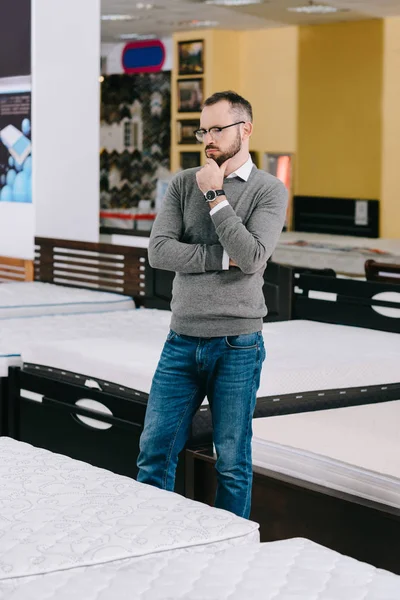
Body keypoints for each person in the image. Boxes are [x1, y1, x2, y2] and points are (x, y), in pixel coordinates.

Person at [137, 90, 287, 519]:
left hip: (237, 342)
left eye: (217, 128)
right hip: (182, 337)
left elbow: (255, 256)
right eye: (203, 129)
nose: (208, 138)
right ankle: (153, 540)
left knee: (233, 461)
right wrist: (221, 258)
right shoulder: (185, 183)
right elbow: (159, 252)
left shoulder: (269, 191)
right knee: (154, 451)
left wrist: (216, 197)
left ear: (246, 129)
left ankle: (228, 550)